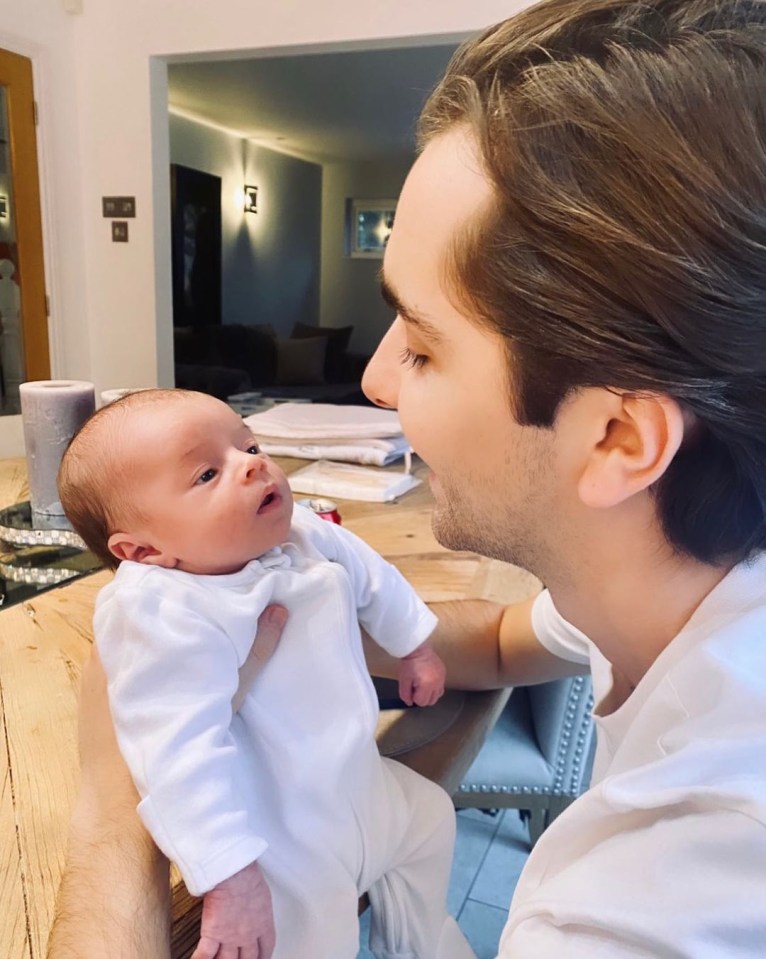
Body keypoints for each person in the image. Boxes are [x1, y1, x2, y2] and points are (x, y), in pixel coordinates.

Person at [48, 0, 766, 955]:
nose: (377, 379)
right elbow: (507, 638)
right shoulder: (681, 583)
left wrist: (108, 805)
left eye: (423, 348)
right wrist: (307, 632)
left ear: (617, 440)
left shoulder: (634, 914)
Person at [54, 387, 475, 959]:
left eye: (247, 445)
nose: (252, 464)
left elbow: (369, 571)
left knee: (430, 818)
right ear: (144, 552)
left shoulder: (298, 531)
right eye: (207, 475)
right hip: (284, 836)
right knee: (313, 940)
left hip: (360, 780)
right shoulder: (163, 611)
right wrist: (229, 874)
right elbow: (178, 754)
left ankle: (419, 942)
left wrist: (413, 645)